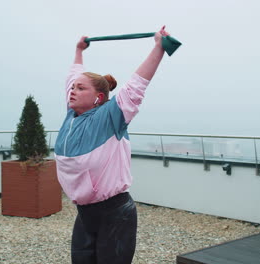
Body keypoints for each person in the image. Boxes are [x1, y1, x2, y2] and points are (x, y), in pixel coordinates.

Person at [54, 26, 171, 264]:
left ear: (98, 97)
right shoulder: (71, 115)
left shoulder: (110, 116)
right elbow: (72, 75)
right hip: (85, 213)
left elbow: (137, 86)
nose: (72, 91)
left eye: (80, 88)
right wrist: (79, 50)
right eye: (73, 88)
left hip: (115, 213)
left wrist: (158, 48)